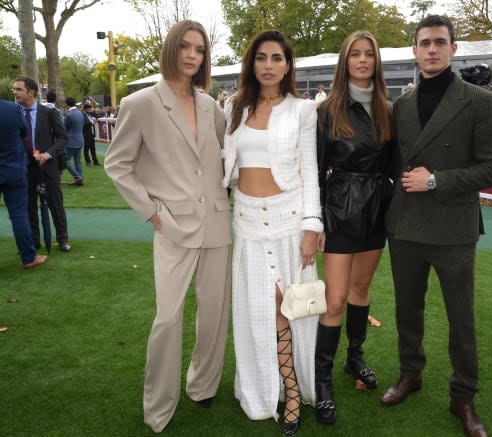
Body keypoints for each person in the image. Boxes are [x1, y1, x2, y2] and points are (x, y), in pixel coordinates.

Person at [104, 20, 232, 433]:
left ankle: (203, 384)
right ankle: (159, 404)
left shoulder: (211, 105)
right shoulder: (139, 103)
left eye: (199, 49)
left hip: (216, 222)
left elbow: (222, 157)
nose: (192, 55)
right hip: (173, 225)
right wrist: (153, 212)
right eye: (185, 47)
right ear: (172, 50)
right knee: (168, 318)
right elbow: (117, 163)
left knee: (214, 313)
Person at [381, 16, 492, 437]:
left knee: (461, 318)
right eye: (424, 43)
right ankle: (410, 374)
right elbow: (393, 165)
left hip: (454, 228)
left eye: (439, 42)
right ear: (414, 51)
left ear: (453, 48)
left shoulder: (480, 101)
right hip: (406, 226)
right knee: (406, 310)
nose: (431, 49)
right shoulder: (400, 106)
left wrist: (436, 180)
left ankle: (463, 396)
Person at [221, 30, 322, 436]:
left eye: (277, 58)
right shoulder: (233, 108)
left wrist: (312, 225)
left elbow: (310, 170)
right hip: (246, 220)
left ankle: (292, 391)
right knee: (257, 309)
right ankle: (263, 389)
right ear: (252, 63)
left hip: (289, 218)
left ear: (287, 65)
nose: (268, 65)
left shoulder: (302, 110)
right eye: (261, 57)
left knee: (288, 306)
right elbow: (224, 163)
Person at [314, 30, 394, 426]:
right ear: (344, 62)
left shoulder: (387, 109)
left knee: (361, 291)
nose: (363, 60)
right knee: (334, 300)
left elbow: (395, 163)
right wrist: (316, 220)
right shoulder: (327, 110)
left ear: (376, 62)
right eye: (355, 55)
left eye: (369, 55)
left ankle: (355, 358)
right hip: (339, 210)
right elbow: (314, 170)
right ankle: (322, 378)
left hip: (376, 211)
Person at [12, 77, 71, 253]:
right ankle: (34, 241)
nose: (15, 92)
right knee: (29, 206)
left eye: (19, 89)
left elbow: (63, 138)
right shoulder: (14, 113)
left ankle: (62, 239)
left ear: (31, 92)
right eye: (14, 89)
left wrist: (48, 153)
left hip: (48, 167)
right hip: (25, 167)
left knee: (55, 204)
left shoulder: (49, 113)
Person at [0, 98, 47, 269]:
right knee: (19, 214)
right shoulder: (12, 109)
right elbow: (23, 132)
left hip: (13, 168)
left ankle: (29, 256)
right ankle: (28, 258)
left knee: (20, 215)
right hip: (13, 169)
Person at [63, 97, 85, 185]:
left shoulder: (69, 115)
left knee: (64, 160)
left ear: (67, 104)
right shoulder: (80, 113)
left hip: (71, 141)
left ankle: (77, 176)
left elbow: (64, 128)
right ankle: (80, 180)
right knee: (77, 161)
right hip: (80, 140)